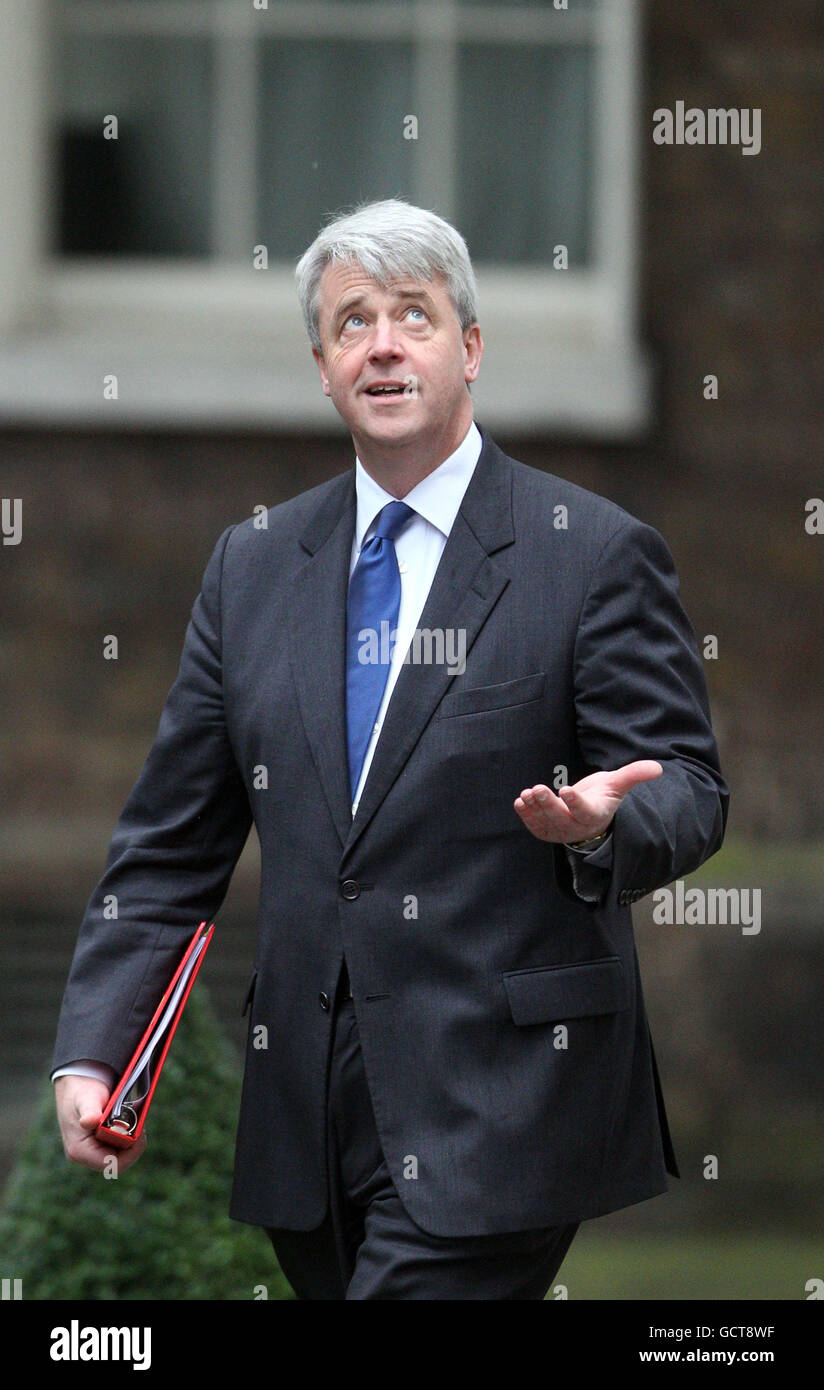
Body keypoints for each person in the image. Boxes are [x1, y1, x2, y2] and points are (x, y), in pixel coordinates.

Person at [52, 197, 729, 1300]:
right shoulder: (252, 567)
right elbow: (170, 844)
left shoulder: (590, 555)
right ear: (321, 365)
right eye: (349, 321)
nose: (381, 343)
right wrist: (95, 1049)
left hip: (502, 1104)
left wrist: (608, 821)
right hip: (306, 1124)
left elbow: (691, 791)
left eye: (412, 315)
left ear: (468, 347)